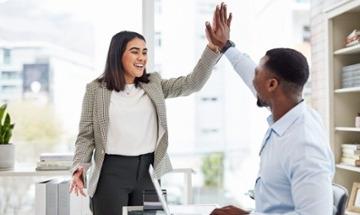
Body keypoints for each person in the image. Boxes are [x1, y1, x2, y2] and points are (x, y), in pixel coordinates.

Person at [69, 30, 221, 214]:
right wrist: (80, 166)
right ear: (117, 55)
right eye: (135, 51)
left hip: (148, 172)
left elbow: (192, 84)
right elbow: (86, 135)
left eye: (144, 52)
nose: (141, 57)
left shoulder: (154, 83)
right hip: (110, 173)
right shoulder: (95, 89)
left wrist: (212, 48)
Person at [206, 3, 335, 215]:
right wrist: (226, 46)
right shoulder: (290, 115)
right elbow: (250, 75)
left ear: (272, 85)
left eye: (258, 73)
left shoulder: (304, 144)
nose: (252, 79)